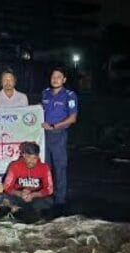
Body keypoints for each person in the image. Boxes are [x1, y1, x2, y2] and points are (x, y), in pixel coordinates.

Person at [41, 66, 78, 211]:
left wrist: (54, 126)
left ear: (64, 80)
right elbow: (41, 110)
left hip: (59, 135)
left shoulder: (69, 95)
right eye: (53, 77)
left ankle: (60, 200)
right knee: (45, 167)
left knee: (60, 167)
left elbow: (73, 118)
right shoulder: (45, 93)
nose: (55, 79)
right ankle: (47, 195)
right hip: (44, 135)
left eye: (58, 77)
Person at [2, 142, 53, 217]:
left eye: (34, 158)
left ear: (38, 156)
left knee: (49, 200)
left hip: (36, 198)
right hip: (19, 196)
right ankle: (19, 211)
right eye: (29, 157)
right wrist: (19, 193)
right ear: (24, 155)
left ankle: (24, 212)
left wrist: (33, 195)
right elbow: (6, 187)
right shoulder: (14, 166)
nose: (31, 161)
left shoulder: (44, 167)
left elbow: (49, 189)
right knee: (2, 198)